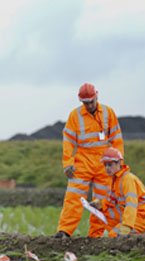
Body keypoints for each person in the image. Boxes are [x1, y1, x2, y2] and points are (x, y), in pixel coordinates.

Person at [54, 83, 124, 238]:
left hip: (104, 162)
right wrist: (68, 163)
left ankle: (95, 235)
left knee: (102, 200)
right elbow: (68, 142)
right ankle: (65, 231)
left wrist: (118, 163)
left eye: (91, 101)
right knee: (73, 196)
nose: (89, 105)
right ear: (81, 101)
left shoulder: (108, 113)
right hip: (82, 161)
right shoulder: (75, 116)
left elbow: (117, 139)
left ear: (97, 96)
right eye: (85, 103)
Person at [90, 147, 145, 237]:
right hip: (136, 214)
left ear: (119, 163)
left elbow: (131, 204)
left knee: (114, 235)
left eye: (110, 164)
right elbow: (111, 200)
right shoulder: (114, 180)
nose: (107, 168)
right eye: (105, 165)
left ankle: (142, 233)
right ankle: (93, 239)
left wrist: (126, 226)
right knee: (99, 214)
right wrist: (100, 204)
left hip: (144, 216)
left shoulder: (127, 179)